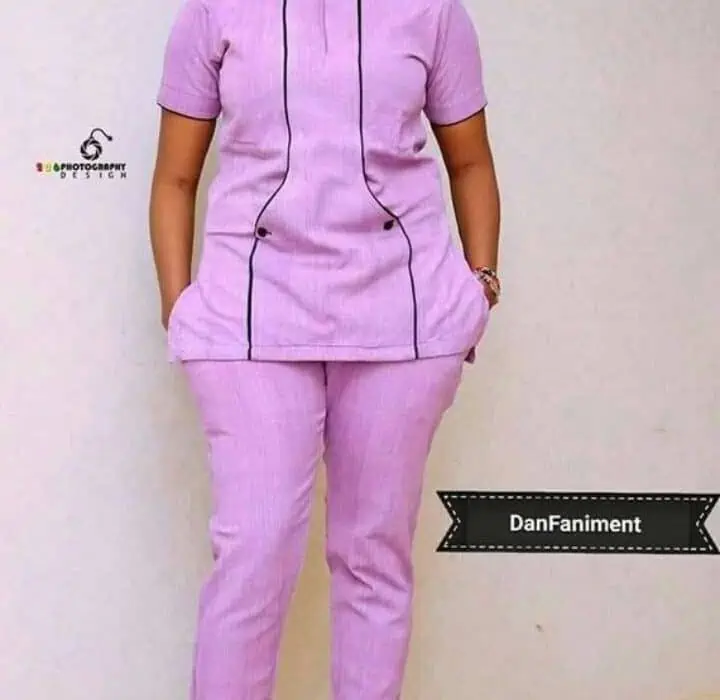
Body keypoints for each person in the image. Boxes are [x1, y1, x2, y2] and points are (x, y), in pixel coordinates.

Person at [148, 0, 501, 697]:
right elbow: (174, 179)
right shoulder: (214, 11)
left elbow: (470, 162)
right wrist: (180, 306)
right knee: (255, 554)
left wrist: (479, 285)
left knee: (374, 558)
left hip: (404, 316)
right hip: (250, 314)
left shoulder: (434, 12)